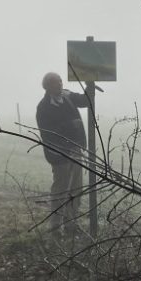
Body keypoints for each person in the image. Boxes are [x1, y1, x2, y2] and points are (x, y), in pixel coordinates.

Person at [35, 71, 90, 232]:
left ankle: (71, 224)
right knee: (60, 190)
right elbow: (47, 133)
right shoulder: (43, 107)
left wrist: (89, 85)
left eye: (60, 81)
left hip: (75, 150)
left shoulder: (68, 96)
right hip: (59, 154)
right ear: (47, 86)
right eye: (54, 82)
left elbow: (85, 101)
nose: (59, 84)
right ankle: (56, 225)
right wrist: (69, 125)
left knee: (76, 189)